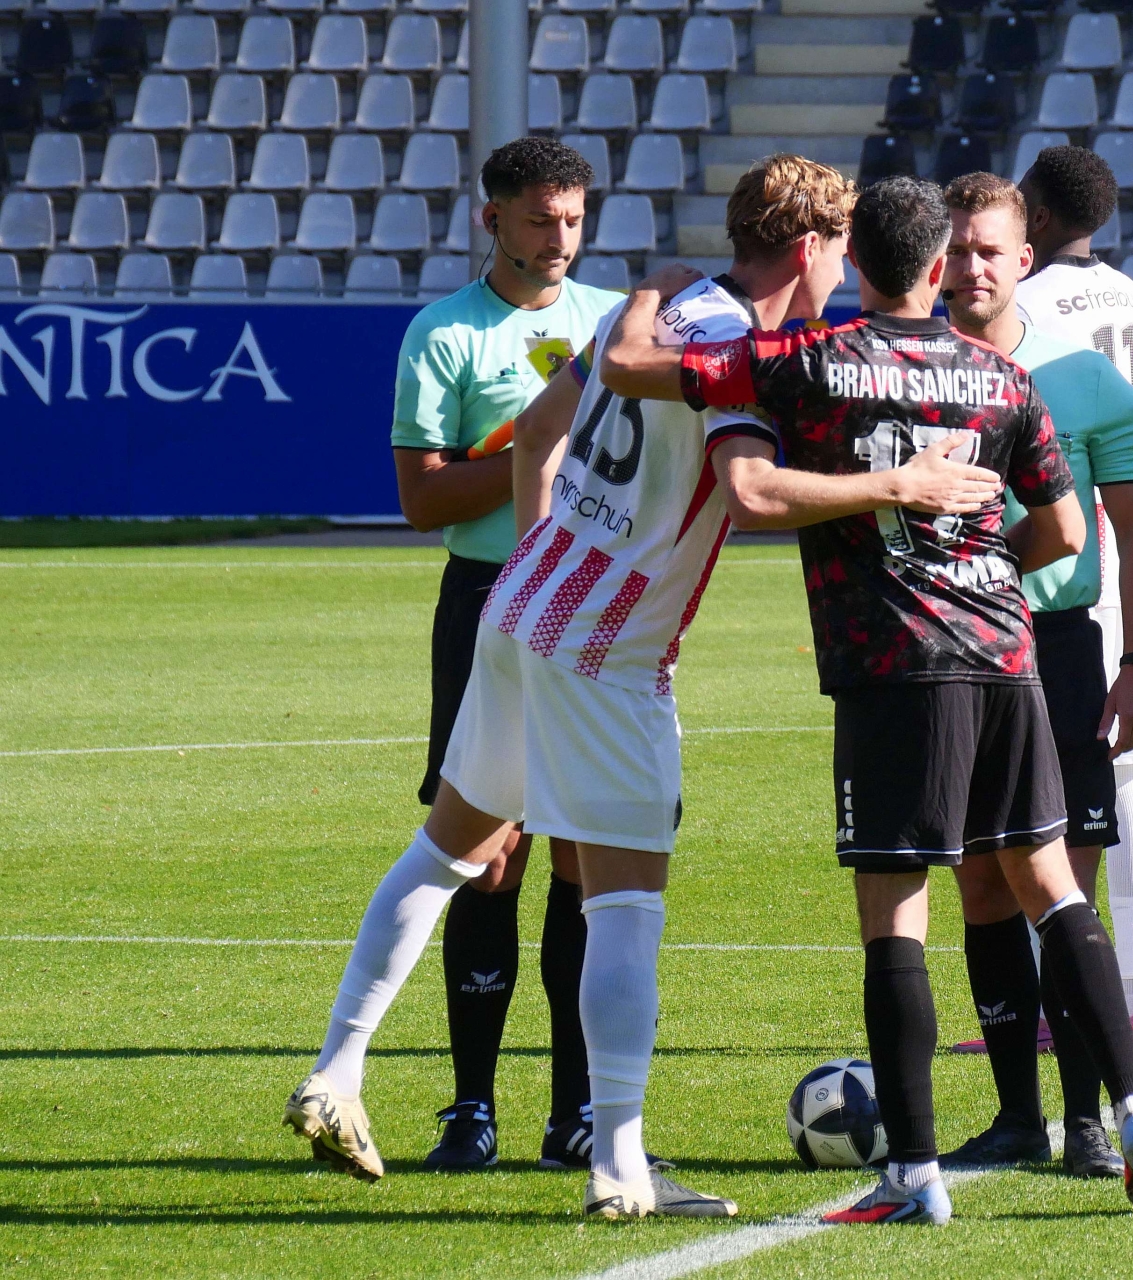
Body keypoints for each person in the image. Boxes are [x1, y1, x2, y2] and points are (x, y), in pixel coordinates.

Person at [284, 153, 865, 1220]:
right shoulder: (733, 353)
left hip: (523, 606)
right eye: (841, 250)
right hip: (607, 650)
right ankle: (619, 1166)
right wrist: (900, 484)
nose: (846, 273)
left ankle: (337, 1070)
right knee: (626, 906)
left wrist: (543, 547)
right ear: (806, 248)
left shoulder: (656, 309)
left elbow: (541, 433)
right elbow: (749, 495)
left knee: (446, 849)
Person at [593, 176, 1133, 1222]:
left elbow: (630, 368)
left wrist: (653, 292)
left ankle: (913, 1175)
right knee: (1053, 885)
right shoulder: (1003, 377)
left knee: (895, 914)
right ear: (940, 265)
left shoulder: (807, 360)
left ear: (856, 260)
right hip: (1007, 655)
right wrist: (974, 561)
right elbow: (1064, 533)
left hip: (893, 661)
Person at [387, 136, 623, 1172]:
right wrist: (531, 443)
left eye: (573, 218)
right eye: (540, 218)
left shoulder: (613, 323)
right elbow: (422, 500)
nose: (560, 237)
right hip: (486, 597)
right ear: (492, 219)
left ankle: (575, 1111)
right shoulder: (444, 334)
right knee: (490, 856)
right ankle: (470, 1106)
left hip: (598, 606)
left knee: (582, 854)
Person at [930, 172, 1133, 1183]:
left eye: (990, 248)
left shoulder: (1083, 378)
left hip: (1056, 645)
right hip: (948, 646)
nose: (972, 265)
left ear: (1025, 259)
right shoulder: (903, 369)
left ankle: (1085, 1120)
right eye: (957, 248)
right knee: (981, 877)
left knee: (1061, 878)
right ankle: (1017, 1117)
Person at [1014, 145, 1133, 1047]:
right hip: (1122, 540)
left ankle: (1054, 996)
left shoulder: (1026, 302)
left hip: (1058, 558)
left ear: (1033, 218)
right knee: (1125, 778)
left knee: (1044, 786)